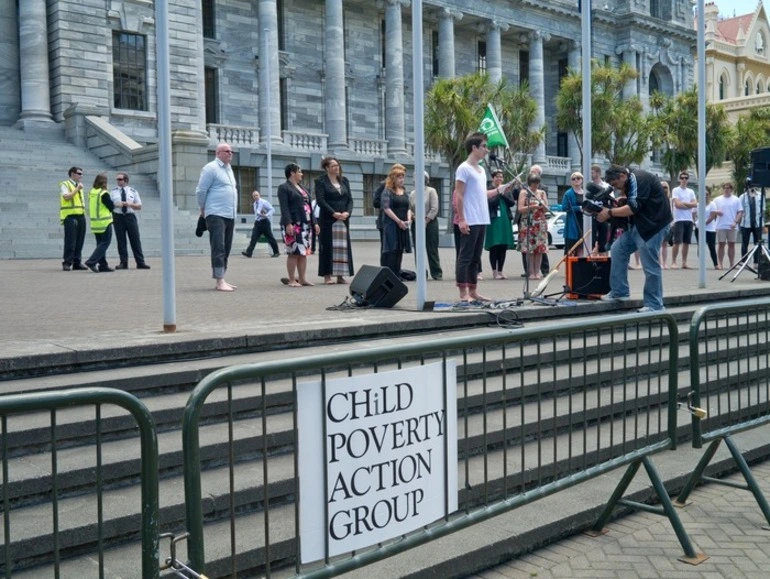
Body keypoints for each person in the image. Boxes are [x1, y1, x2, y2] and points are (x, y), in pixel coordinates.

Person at [597, 165, 672, 313]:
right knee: (617, 249)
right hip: (640, 225)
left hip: (654, 226)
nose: (616, 188)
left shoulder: (639, 179)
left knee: (650, 264)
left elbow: (632, 208)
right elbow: (636, 200)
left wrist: (609, 212)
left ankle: (655, 304)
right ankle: (620, 291)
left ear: (622, 176)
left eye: (615, 184)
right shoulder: (633, 180)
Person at [454, 132, 503, 301]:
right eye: (484, 146)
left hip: (482, 218)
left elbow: (482, 194)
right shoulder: (464, 168)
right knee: (465, 257)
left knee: (476, 258)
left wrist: (499, 190)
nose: (486, 150)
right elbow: (458, 194)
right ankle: (463, 293)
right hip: (470, 218)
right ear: (474, 147)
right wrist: (461, 218)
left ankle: (473, 291)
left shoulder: (481, 170)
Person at [196, 142, 238, 292]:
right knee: (218, 247)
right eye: (227, 151)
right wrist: (203, 208)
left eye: (231, 151)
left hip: (229, 213)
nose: (230, 153)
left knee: (226, 247)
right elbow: (201, 190)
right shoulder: (210, 168)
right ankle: (219, 280)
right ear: (218, 153)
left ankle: (222, 277)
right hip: (216, 213)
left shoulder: (229, 169)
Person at [277, 163, 318, 287]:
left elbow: (309, 207)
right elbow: (284, 207)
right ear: (292, 173)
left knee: (303, 252)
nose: (302, 174)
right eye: (299, 172)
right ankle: (291, 280)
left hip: (305, 224)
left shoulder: (302, 188)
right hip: (293, 224)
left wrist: (315, 222)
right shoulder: (284, 187)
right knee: (294, 252)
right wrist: (288, 223)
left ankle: (302, 278)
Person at [315, 157, 354, 284]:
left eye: (337, 165)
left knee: (342, 247)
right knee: (327, 246)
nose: (336, 168)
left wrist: (348, 212)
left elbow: (350, 200)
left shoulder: (344, 181)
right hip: (328, 219)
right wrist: (333, 213)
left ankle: (340, 275)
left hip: (343, 219)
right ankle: (327, 275)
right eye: (333, 166)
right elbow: (321, 200)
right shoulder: (320, 181)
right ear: (327, 168)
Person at [110, 172, 150, 270]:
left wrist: (129, 204)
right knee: (121, 240)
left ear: (126, 180)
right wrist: (117, 205)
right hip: (118, 216)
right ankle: (123, 262)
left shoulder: (133, 191)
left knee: (135, 239)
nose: (118, 181)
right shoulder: (113, 192)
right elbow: (109, 205)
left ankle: (140, 262)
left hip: (130, 216)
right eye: (117, 179)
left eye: (120, 179)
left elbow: (139, 206)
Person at [409, 170, 443, 280]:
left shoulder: (431, 191)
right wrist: (414, 217)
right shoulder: (413, 194)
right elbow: (410, 209)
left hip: (430, 223)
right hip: (416, 223)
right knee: (418, 249)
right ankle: (421, 273)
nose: (415, 179)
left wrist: (426, 220)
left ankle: (436, 273)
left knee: (432, 248)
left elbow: (434, 208)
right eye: (414, 177)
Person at [380, 165, 412, 277]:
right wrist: (399, 221)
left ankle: (397, 273)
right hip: (392, 225)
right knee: (392, 250)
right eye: (399, 177)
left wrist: (408, 220)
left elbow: (408, 207)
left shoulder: (404, 190)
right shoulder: (387, 191)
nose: (402, 180)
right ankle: (391, 274)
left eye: (403, 177)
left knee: (400, 249)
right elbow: (386, 208)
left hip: (404, 224)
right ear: (393, 178)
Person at [484, 169, 515, 279]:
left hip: (505, 219)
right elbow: (489, 203)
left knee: (503, 245)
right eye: (497, 177)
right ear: (493, 178)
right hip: (494, 219)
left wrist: (504, 194)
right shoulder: (489, 189)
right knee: (495, 245)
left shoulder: (506, 189)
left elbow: (512, 203)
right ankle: (494, 271)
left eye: (501, 177)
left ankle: (501, 271)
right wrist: (497, 193)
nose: (499, 179)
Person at [517, 172, 549, 280]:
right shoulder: (524, 192)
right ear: (529, 183)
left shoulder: (542, 193)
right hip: (528, 222)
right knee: (530, 249)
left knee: (539, 249)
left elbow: (546, 209)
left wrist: (543, 204)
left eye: (537, 184)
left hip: (540, 222)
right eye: (534, 184)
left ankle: (537, 272)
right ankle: (531, 272)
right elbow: (520, 209)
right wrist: (531, 206)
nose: (536, 186)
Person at [84, 173, 115, 273]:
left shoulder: (92, 192)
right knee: (105, 243)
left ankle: (103, 265)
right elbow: (111, 206)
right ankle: (92, 261)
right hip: (104, 222)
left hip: (95, 223)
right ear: (104, 182)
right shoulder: (103, 193)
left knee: (99, 244)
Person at [59, 166, 88, 271]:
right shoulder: (65, 184)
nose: (81, 176)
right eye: (79, 173)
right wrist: (77, 189)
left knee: (80, 240)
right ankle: (67, 262)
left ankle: (77, 262)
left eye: (81, 174)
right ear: (72, 174)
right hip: (70, 216)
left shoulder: (79, 185)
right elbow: (66, 197)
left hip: (80, 215)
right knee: (70, 241)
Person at [710, 182, 743, 269]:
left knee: (731, 245)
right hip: (721, 225)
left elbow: (740, 212)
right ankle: (720, 263)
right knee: (721, 244)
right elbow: (711, 209)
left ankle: (732, 263)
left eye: (728, 188)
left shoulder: (736, 199)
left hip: (732, 225)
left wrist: (735, 222)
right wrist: (717, 212)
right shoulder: (717, 199)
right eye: (725, 188)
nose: (726, 189)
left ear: (731, 189)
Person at [670, 172, 697, 269]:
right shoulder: (676, 190)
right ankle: (673, 262)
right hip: (679, 220)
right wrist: (688, 205)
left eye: (686, 178)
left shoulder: (691, 191)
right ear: (679, 179)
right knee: (677, 241)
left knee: (686, 242)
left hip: (689, 219)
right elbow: (677, 204)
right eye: (682, 178)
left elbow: (695, 203)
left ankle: (684, 262)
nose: (684, 179)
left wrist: (685, 204)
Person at [242, 190, 280, 258]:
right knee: (254, 237)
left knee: (270, 237)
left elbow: (272, 209)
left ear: (259, 195)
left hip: (264, 222)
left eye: (256, 195)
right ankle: (249, 252)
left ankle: (276, 252)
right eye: (254, 196)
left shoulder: (264, 202)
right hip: (257, 223)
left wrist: (267, 215)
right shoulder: (254, 204)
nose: (255, 197)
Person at [739, 184, 764, 264]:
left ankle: (756, 261)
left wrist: (762, 223)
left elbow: (762, 210)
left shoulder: (760, 195)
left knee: (757, 243)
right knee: (744, 243)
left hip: (757, 223)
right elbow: (740, 210)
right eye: (749, 186)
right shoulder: (743, 197)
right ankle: (744, 261)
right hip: (746, 223)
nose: (751, 187)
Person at [562, 171, 585, 256]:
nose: (576, 180)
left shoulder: (585, 193)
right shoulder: (568, 193)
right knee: (571, 250)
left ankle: (580, 267)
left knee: (581, 247)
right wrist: (578, 208)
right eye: (573, 179)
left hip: (584, 222)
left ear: (582, 180)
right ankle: (570, 268)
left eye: (578, 178)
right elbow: (564, 207)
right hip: (573, 224)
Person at [590, 164, 610, 256]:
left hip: (603, 214)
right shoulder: (589, 186)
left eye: (592, 172)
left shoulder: (606, 186)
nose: (591, 174)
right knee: (592, 239)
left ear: (598, 173)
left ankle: (603, 258)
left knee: (603, 239)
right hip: (592, 215)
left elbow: (611, 200)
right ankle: (592, 257)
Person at [704, 187, 719, 268]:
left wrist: (705, 223)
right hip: (699, 229)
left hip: (710, 228)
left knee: (712, 246)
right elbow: (694, 214)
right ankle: (702, 264)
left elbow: (712, 215)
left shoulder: (712, 204)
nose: (705, 196)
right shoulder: (698, 204)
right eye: (704, 194)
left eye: (707, 194)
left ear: (709, 195)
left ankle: (716, 264)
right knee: (701, 247)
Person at [659, 180, 673, 268]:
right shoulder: (657, 198)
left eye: (666, 187)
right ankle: (659, 263)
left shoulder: (670, 200)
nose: (664, 189)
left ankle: (664, 263)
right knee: (658, 244)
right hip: (658, 224)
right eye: (662, 187)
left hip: (667, 223)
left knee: (665, 244)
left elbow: (672, 211)